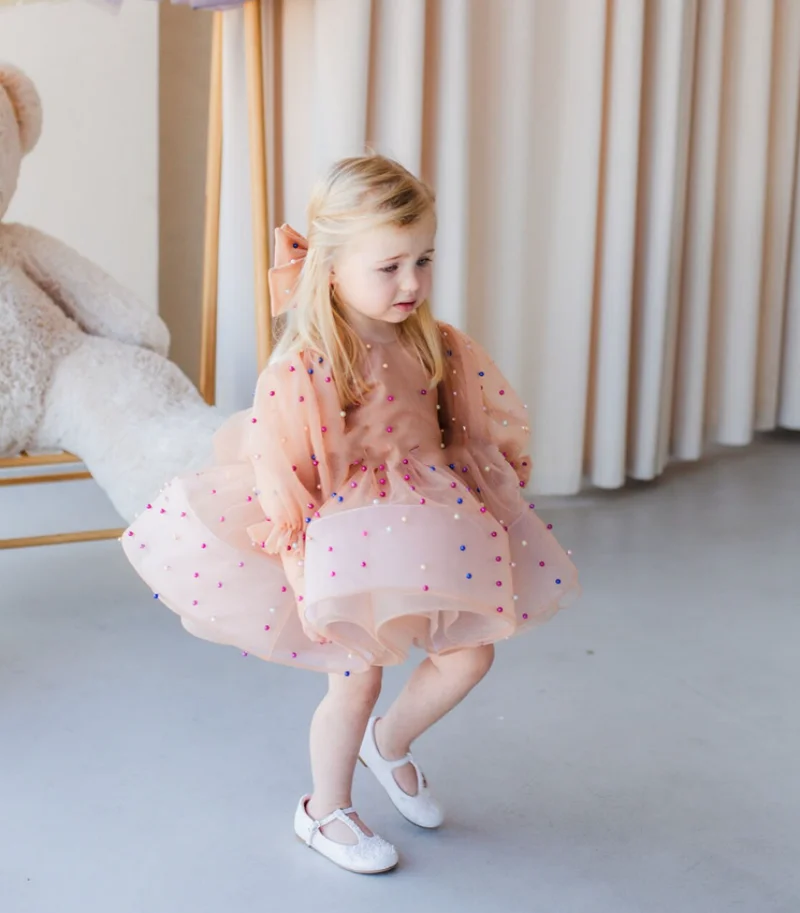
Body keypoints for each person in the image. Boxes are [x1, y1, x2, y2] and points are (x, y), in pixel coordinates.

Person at [122, 154, 579, 875]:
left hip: (433, 515)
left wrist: (495, 494)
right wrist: (308, 570)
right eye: (390, 266)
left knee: (469, 653)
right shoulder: (307, 365)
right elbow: (289, 476)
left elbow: (469, 430)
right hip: (346, 529)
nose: (412, 283)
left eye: (423, 260)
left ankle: (388, 742)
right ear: (331, 268)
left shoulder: (439, 342)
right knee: (357, 671)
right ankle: (323, 809)